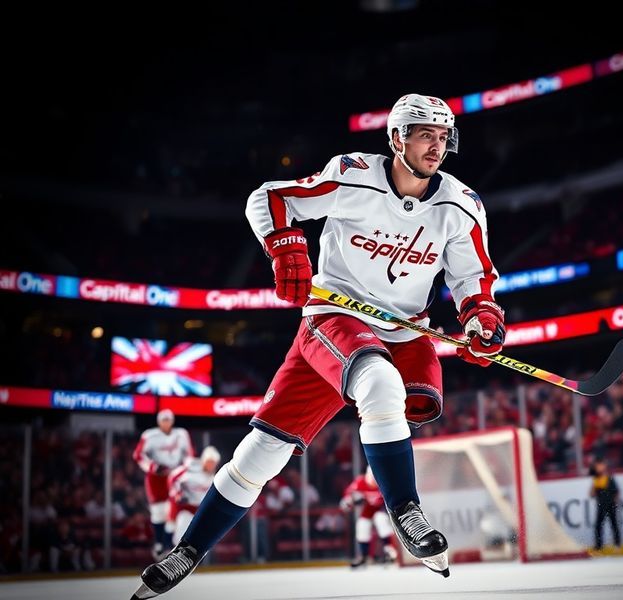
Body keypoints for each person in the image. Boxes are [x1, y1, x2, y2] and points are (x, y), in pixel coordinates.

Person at [131, 93, 505, 599]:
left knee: (322, 418)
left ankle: (405, 514)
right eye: (424, 134)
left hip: (408, 331)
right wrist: (283, 246)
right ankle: (188, 551)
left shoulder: (461, 205)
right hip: (336, 315)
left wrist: (480, 318)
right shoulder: (353, 176)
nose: (436, 146)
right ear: (397, 139)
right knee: (277, 445)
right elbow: (269, 198)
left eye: (443, 137)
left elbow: (474, 277)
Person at [132, 409, 194, 560]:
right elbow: (138, 455)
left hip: (174, 476)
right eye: (163, 420)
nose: (166, 423)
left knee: (173, 510)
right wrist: (152, 467)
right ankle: (159, 543)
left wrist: (183, 469)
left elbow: (189, 454)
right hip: (156, 478)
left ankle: (168, 545)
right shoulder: (149, 435)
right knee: (158, 511)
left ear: (172, 421)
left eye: (168, 420)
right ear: (159, 421)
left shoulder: (181, 434)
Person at [340, 466, 398, 568]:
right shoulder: (360, 482)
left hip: (383, 510)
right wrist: (349, 501)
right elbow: (347, 496)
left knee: (381, 520)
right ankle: (364, 556)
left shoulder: (385, 483)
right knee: (362, 524)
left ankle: (391, 552)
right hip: (368, 510)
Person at [167, 446, 221, 545]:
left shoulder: (215, 478)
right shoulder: (191, 468)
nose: (211, 466)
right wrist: (177, 494)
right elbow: (173, 477)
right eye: (209, 462)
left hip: (200, 510)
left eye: (214, 463)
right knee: (178, 535)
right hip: (185, 507)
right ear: (204, 461)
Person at [588, 457, 621, 553]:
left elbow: (616, 492)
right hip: (601, 505)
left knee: (613, 524)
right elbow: (591, 494)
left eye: (600, 465)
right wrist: (594, 487)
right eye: (597, 466)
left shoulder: (609, 478)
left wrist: (615, 502)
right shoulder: (596, 480)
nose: (598, 468)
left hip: (610, 504)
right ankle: (598, 546)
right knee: (598, 526)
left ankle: (617, 544)